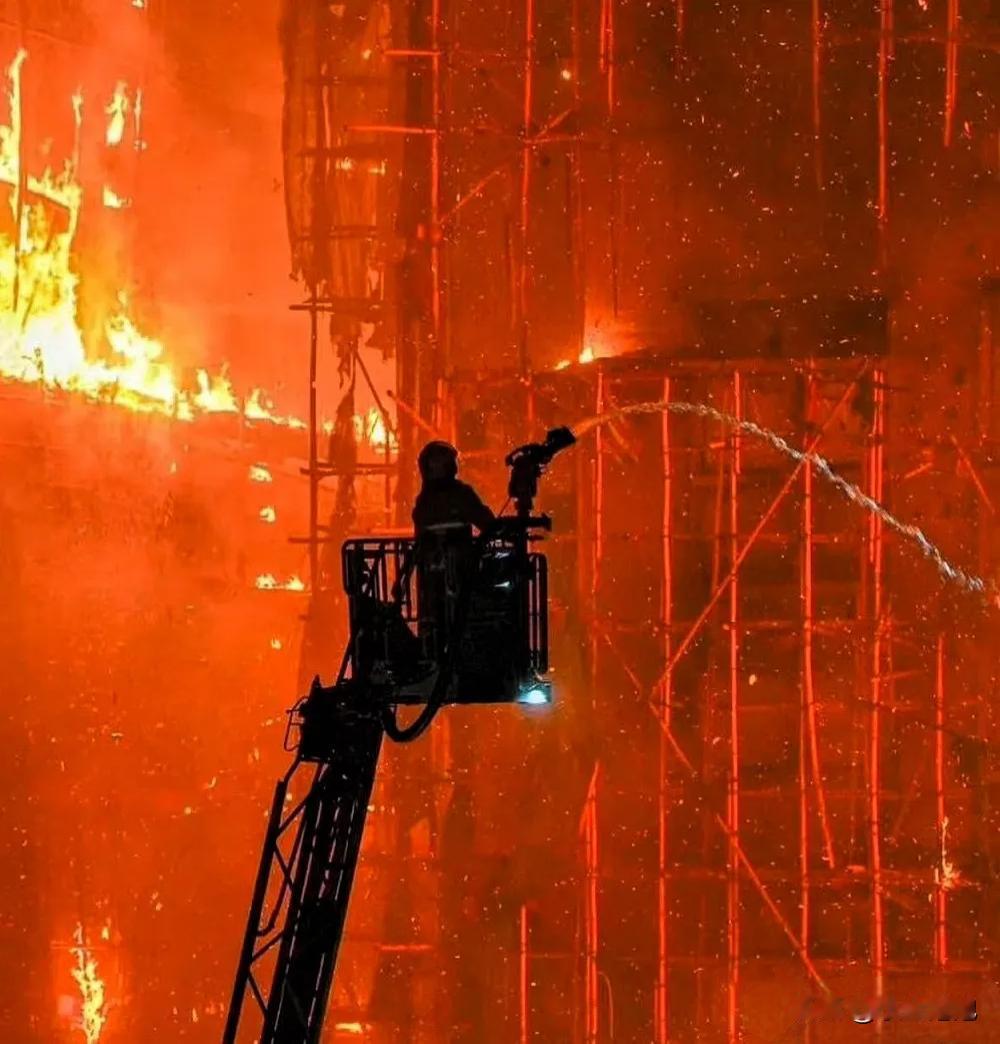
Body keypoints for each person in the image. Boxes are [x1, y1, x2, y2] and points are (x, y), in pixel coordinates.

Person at [411, 441, 495, 536]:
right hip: (460, 549)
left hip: (432, 550)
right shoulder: (462, 494)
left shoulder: (424, 500)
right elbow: (486, 522)